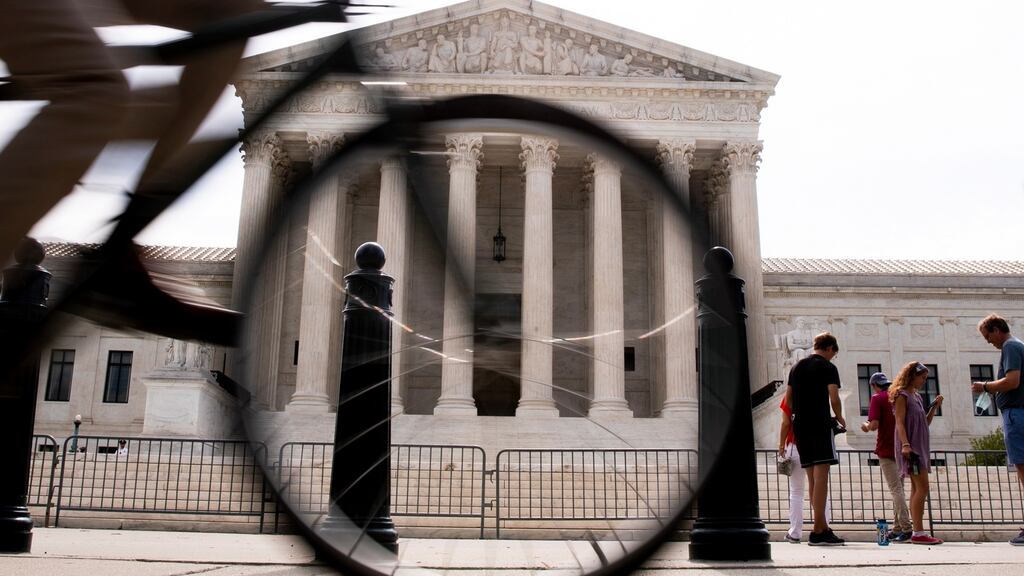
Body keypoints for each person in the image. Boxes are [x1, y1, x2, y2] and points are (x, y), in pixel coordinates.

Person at [784, 331, 845, 545]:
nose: (832, 357)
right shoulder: (828, 368)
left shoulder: (796, 367)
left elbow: (788, 399)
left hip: (800, 425)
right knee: (821, 478)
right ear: (829, 348)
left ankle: (821, 527)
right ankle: (818, 531)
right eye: (833, 354)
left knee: (812, 478)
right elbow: (834, 398)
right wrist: (840, 418)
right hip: (819, 423)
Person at [971, 314, 1024, 546]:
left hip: (1016, 413)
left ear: (996, 329)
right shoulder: (1018, 345)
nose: (987, 341)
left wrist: (984, 386)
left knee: (1023, 469)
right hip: (1018, 412)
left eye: (987, 336)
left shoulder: (1010, 347)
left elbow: (1012, 381)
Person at [890, 361, 944, 545]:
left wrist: (934, 407)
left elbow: (924, 423)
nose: (924, 381)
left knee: (917, 488)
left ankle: (918, 531)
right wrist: (905, 445)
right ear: (912, 375)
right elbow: (899, 422)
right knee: (922, 487)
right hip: (911, 448)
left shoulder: (917, 396)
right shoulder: (902, 395)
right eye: (922, 377)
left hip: (920, 446)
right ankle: (918, 532)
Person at [860, 372, 912, 542]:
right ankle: (897, 528)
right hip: (902, 447)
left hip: (886, 449)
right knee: (900, 489)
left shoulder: (877, 398)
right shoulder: (898, 397)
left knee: (896, 490)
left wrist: (866, 426)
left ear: (874, 385)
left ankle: (906, 527)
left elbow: (874, 425)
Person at [779, 394, 832, 543]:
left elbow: (785, 423)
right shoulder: (816, 396)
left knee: (796, 491)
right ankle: (824, 525)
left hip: (795, 446)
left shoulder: (790, 397)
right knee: (819, 487)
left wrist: (781, 444)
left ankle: (795, 532)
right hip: (814, 446)